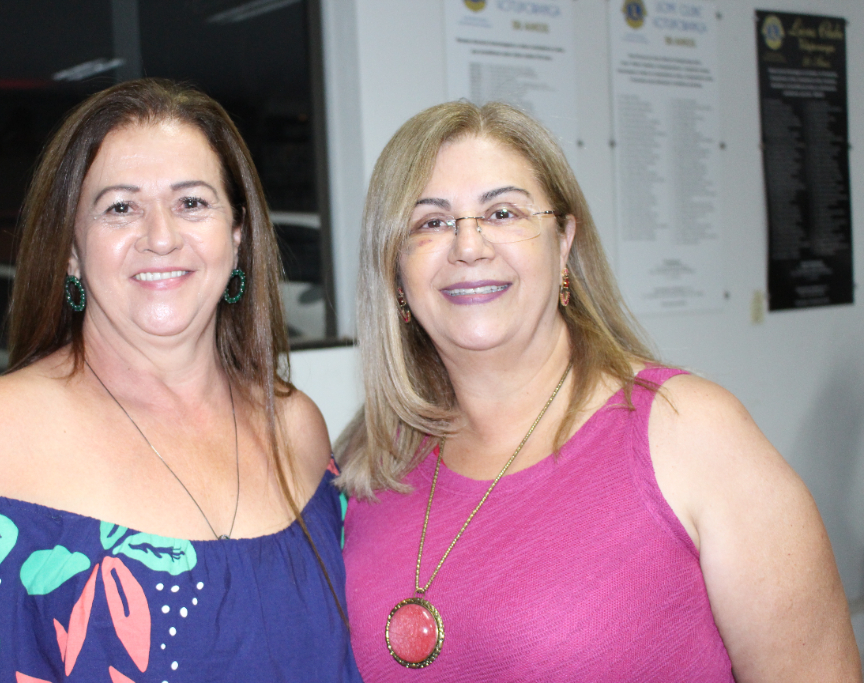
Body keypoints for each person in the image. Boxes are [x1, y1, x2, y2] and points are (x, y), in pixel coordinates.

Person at [0, 79, 361, 682]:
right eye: (120, 207)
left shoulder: (295, 426)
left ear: (238, 236)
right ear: (70, 250)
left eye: (192, 202)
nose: (161, 236)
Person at [337, 100, 861, 681]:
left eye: (504, 212)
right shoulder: (370, 460)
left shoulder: (691, 433)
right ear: (396, 270)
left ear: (563, 242)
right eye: (431, 222)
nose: (469, 245)